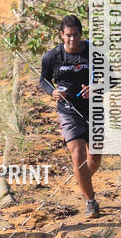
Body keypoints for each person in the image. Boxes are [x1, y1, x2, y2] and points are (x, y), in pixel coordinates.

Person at [39, 15, 102, 218]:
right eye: (68, 35)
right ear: (61, 35)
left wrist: (96, 88)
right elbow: (44, 80)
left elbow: (112, 78)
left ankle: (82, 180)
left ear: (81, 34)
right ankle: (90, 201)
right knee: (78, 156)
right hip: (68, 112)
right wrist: (53, 92)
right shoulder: (52, 57)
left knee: (95, 157)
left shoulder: (94, 52)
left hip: (94, 110)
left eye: (76, 35)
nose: (72, 39)